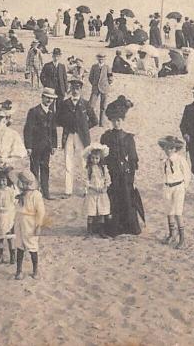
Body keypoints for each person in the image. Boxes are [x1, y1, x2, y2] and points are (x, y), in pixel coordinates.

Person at [100, 96, 142, 236]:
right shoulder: (106, 137)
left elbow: (133, 158)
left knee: (128, 197)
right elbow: (103, 156)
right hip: (113, 172)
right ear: (111, 122)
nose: (116, 123)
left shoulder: (128, 138)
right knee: (115, 198)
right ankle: (115, 227)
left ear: (123, 121)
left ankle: (130, 226)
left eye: (119, 120)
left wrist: (131, 174)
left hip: (126, 173)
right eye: (114, 121)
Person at [57, 78, 97, 199]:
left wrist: (84, 128)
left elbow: (94, 120)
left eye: (77, 88)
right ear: (70, 89)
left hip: (82, 137)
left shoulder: (85, 103)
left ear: (81, 89)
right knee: (68, 162)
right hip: (68, 135)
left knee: (83, 162)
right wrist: (67, 124)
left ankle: (85, 188)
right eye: (73, 88)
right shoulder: (65, 104)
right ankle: (68, 190)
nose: (75, 91)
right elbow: (58, 119)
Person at [0, 99, 27, 203]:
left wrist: (6, 160)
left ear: (7, 119)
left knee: (8, 193)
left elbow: (20, 154)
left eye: (2, 118)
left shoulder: (13, 134)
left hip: (7, 165)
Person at [23, 88, 58, 200]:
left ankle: (45, 191)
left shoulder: (51, 113)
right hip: (35, 146)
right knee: (34, 168)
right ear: (42, 97)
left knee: (45, 168)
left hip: (47, 147)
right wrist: (28, 146)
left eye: (51, 99)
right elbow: (27, 130)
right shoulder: (34, 111)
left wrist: (54, 145)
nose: (49, 100)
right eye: (47, 98)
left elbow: (53, 131)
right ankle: (34, 191)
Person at [158, 135, 191, 249]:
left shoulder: (180, 159)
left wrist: (184, 187)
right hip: (168, 187)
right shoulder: (164, 160)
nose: (168, 150)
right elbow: (164, 174)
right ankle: (172, 234)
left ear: (175, 149)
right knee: (169, 211)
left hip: (178, 187)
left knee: (178, 213)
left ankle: (182, 239)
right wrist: (165, 184)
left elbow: (187, 173)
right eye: (166, 148)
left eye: (171, 148)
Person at [13, 172, 46, 280]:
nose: (23, 185)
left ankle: (35, 270)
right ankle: (19, 270)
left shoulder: (35, 195)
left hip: (30, 222)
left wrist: (38, 226)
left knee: (32, 247)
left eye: (26, 183)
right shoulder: (20, 193)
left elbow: (41, 212)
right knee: (19, 246)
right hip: (19, 221)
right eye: (21, 183)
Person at [81, 144, 111, 238]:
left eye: (97, 158)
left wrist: (105, 187)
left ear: (100, 158)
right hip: (92, 193)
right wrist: (92, 187)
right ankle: (89, 231)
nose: (94, 160)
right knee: (91, 213)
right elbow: (85, 181)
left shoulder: (103, 168)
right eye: (93, 158)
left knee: (101, 212)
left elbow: (107, 179)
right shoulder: (88, 169)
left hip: (101, 194)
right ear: (90, 158)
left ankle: (101, 231)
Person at [88, 53, 113, 126]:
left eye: (102, 59)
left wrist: (107, 84)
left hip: (104, 88)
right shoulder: (94, 67)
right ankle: (92, 121)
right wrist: (94, 84)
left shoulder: (107, 67)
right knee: (91, 105)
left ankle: (102, 123)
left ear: (104, 59)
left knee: (103, 106)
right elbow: (90, 78)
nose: (101, 60)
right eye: (99, 59)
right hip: (95, 88)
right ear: (97, 59)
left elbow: (110, 78)